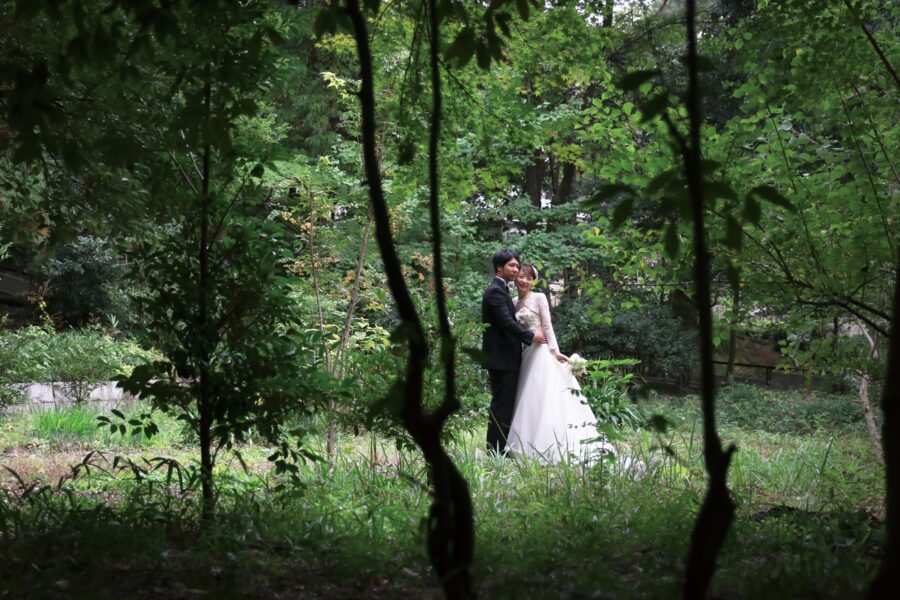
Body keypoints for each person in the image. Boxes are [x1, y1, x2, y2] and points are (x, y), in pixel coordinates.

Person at [506, 263, 615, 463]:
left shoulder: (539, 298)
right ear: (516, 277)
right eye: (521, 276)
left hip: (542, 353)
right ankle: (525, 444)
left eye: (529, 278)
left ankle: (550, 443)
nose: (524, 281)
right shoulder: (512, 302)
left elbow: (547, 326)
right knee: (528, 400)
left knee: (546, 396)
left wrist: (555, 352)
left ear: (533, 281)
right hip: (526, 354)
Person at [481, 249, 547, 454]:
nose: (516, 269)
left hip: (507, 358)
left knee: (506, 405)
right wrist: (530, 337)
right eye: (512, 265)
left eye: (517, 265)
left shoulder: (503, 290)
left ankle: (500, 447)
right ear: (499, 267)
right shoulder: (495, 291)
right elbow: (507, 323)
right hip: (501, 359)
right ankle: (496, 451)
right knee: (502, 405)